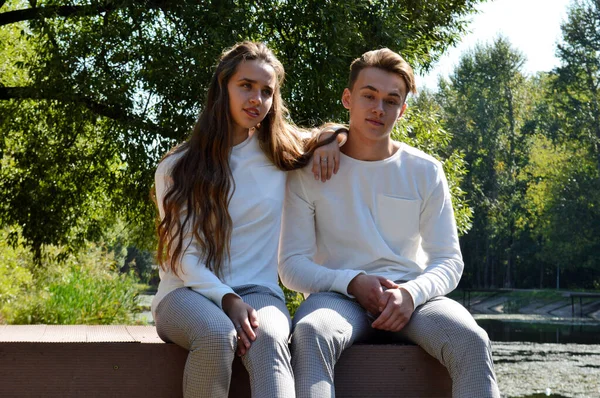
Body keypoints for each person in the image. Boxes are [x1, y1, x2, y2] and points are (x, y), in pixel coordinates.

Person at [279, 48, 500, 398]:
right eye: (369, 95)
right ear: (348, 98)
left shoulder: (425, 171)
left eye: (391, 100)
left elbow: (449, 259)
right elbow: (291, 266)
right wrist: (352, 282)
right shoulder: (310, 172)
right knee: (311, 332)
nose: (378, 108)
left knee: (471, 339)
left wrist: (411, 294)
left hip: (413, 300)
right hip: (337, 298)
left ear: (403, 108)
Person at [151, 41, 346, 398]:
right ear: (222, 87)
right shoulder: (177, 168)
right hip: (184, 293)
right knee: (215, 334)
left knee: (270, 339)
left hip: (258, 291)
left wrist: (334, 139)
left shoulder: (280, 152)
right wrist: (227, 300)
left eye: (266, 91)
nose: (257, 98)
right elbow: (183, 259)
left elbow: (331, 132)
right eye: (246, 86)